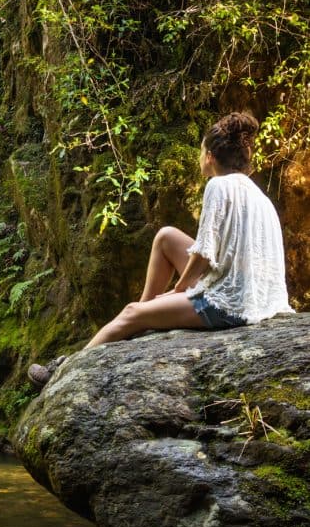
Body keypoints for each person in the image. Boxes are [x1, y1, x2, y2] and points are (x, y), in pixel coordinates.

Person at [28, 112, 294, 387]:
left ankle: (64, 372)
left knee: (131, 312)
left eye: (201, 151)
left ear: (211, 156)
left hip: (231, 305)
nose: (199, 157)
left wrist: (181, 289)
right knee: (166, 236)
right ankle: (147, 312)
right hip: (257, 296)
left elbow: (203, 255)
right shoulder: (258, 196)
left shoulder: (218, 185)